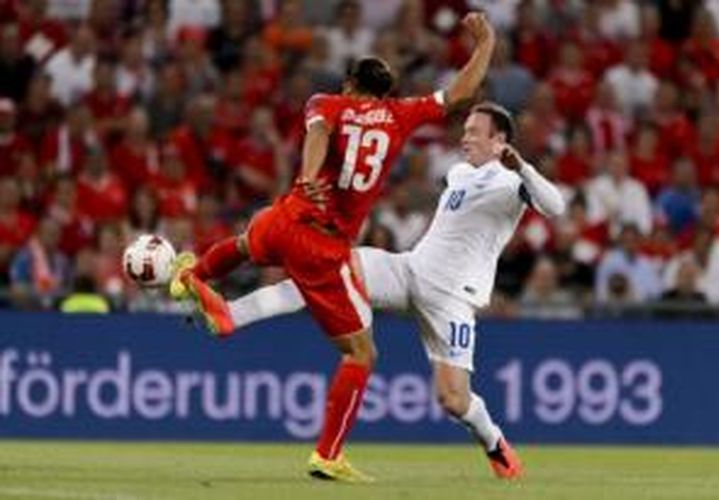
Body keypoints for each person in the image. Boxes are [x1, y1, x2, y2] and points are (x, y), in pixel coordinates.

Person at [169, 13, 497, 482]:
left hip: (286, 215)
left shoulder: (326, 102)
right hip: (323, 244)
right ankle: (327, 454)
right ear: (385, 92)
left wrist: (306, 177)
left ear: (349, 84)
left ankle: (191, 278)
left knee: (245, 241)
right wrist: (485, 42)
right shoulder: (402, 114)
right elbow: (463, 92)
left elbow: (318, 132)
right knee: (361, 354)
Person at [187, 102, 565, 480]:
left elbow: (555, 205)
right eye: (464, 129)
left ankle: (497, 446)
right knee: (328, 270)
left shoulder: (512, 183)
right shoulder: (460, 173)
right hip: (410, 270)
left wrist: (523, 168)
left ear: (499, 140)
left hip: (451, 299)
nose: (464, 137)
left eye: (474, 131)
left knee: (453, 400)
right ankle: (231, 314)